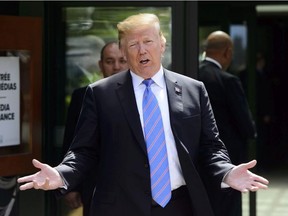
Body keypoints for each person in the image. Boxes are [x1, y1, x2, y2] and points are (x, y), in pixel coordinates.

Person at [17, 13, 269, 216]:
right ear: (124, 52)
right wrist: (62, 174)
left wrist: (226, 171)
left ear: (162, 43)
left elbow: (211, 146)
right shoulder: (100, 94)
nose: (141, 50)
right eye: (133, 44)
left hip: (179, 205)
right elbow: (84, 151)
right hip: (119, 207)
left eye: (148, 41)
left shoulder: (193, 90)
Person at [61, 41, 128, 216]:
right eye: (110, 61)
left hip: (134, 187)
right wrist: (70, 186)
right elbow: (72, 142)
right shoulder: (82, 96)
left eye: (122, 61)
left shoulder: (143, 94)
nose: (116, 67)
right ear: (101, 65)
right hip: (95, 185)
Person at [198, 31, 257, 216]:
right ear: (228, 52)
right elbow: (246, 125)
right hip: (227, 160)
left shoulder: (190, 75)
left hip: (197, 157)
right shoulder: (228, 80)